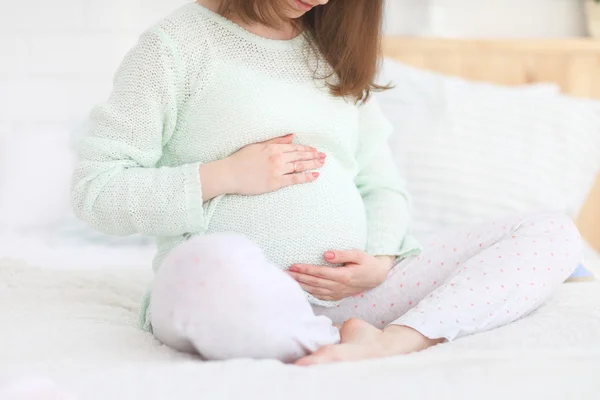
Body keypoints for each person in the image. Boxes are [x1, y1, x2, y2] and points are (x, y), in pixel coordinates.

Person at [71, 0, 582, 365]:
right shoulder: (176, 46)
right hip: (226, 288)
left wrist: (380, 260)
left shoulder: (332, 53)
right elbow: (97, 190)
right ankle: (310, 338)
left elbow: (383, 186)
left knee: (552, 234)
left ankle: (396, 340)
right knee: (211, 264)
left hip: (351, 301)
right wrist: (223, 176)